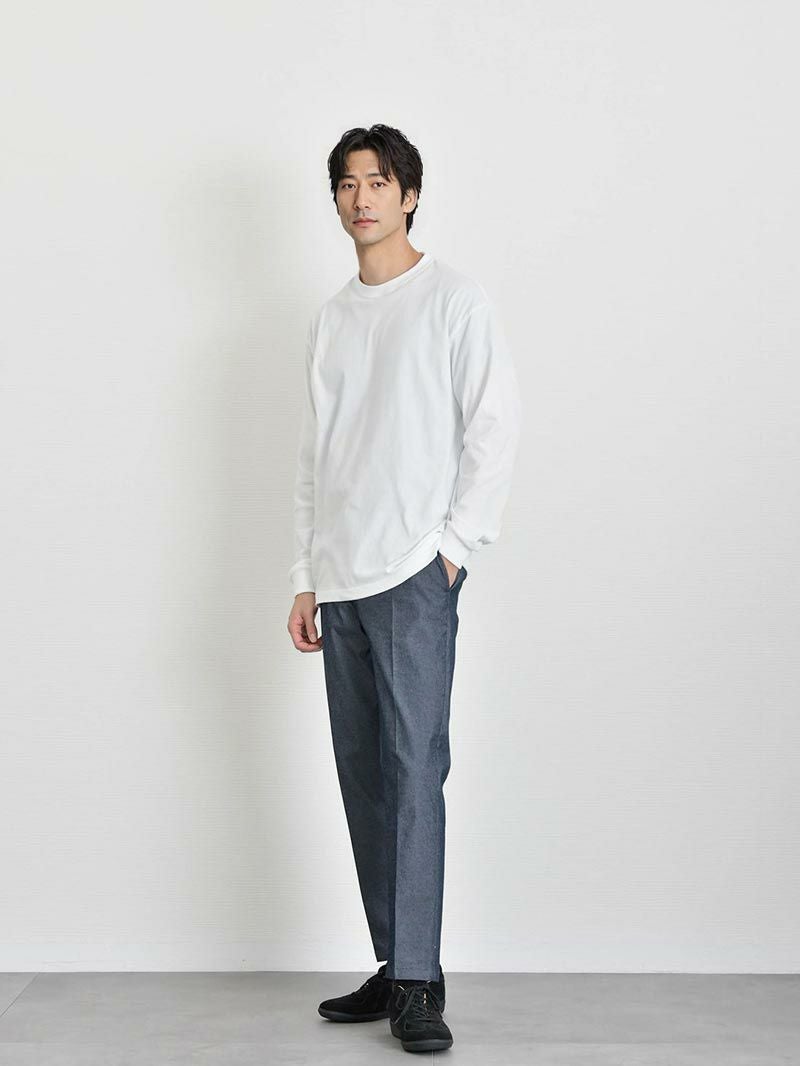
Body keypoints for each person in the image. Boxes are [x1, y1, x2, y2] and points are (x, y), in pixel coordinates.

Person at [286, 124, 522, 1054]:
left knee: (416, 769)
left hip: (416, 572)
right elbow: (316, 454)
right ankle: (394, 961)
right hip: (341, 578)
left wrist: (455, 549)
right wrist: (305, 575)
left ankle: (421, 981)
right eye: (347, 184)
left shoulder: (453, 300)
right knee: (364, 775)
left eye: (378, 182)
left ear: (410, 194)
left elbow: (493, 426)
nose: (362, 198)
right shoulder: (332, 318)